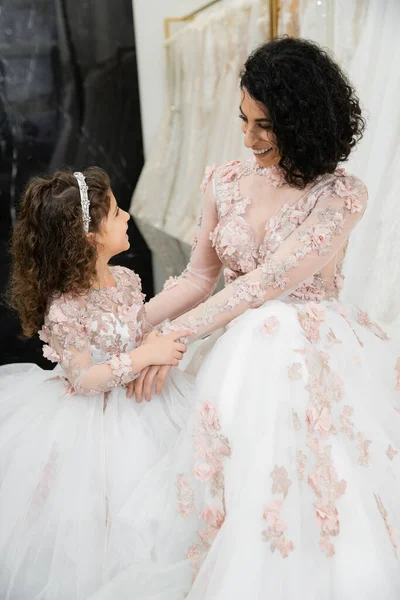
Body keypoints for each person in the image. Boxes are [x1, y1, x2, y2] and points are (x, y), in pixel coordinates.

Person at [94, 38, 400, 599]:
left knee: (273, 331)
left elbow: (267, 284)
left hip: (310, 357)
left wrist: (173, 336)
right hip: (234, 355)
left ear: (303, 123)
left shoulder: (341, 196)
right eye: (244, 119)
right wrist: (126, 331)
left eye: (266, 125)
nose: (249, 137)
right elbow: (196, 279)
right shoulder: (224, 181)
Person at [0, 167, 192, 600]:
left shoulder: (126, 279)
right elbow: (85, 377)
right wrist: (142, 356)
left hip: (148, 406)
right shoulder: (65, 308)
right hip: (94, 426)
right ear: (89, 237)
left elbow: (134, 327)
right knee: (103, 519)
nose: (127, 218)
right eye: (118, 212)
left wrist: (154, 342)